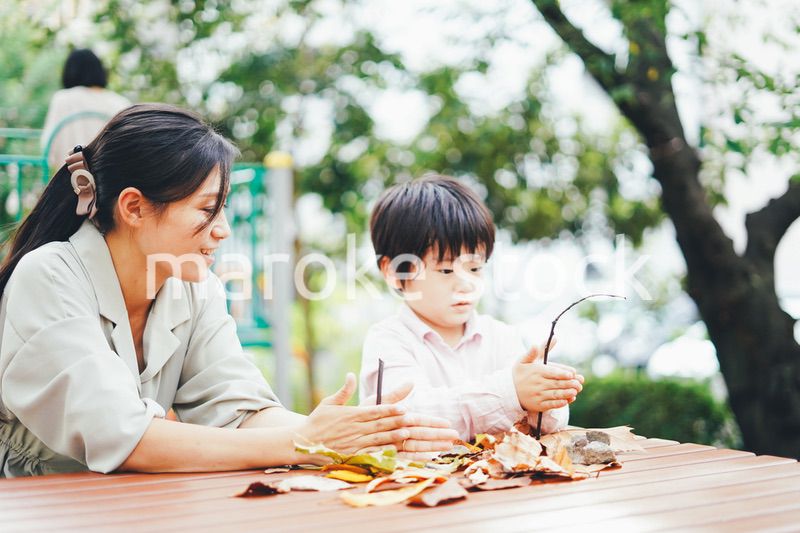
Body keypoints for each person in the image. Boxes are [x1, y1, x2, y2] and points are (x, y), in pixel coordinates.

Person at [0, 104, 457, 478]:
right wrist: (308, 441)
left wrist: (353, 435)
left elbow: (238, 410)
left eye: (222, 210)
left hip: (129, 503)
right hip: (37, 504)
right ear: (134, 207)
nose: (222, 231)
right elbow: (126, 436)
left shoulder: (195, 288)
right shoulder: (49, 277)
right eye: (206, 209)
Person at [359, 175, 585, 441]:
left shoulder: (500, 337)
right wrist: (510, 394)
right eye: (445, 269)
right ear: (394, 271)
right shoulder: (387, 341)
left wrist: (545, 396)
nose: (466, 284)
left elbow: (549, 423)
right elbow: (409, 417)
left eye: (475, 268)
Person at [41, 49, 130, 172]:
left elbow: (49, 146)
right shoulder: (120, 102)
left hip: (71, 179)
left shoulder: (62, 99)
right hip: (110, 182)